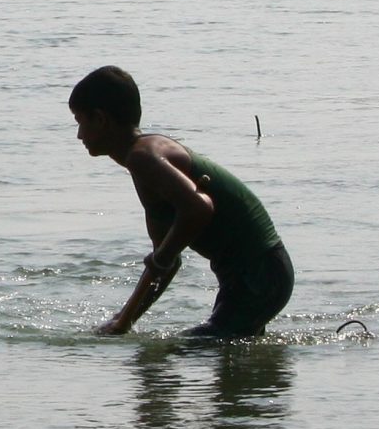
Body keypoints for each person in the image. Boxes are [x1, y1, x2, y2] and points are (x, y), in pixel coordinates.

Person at [69, 65, 292, 339]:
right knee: (227, 358)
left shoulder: (144, 157)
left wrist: (161, 259)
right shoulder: (142, 162)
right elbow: (166, 265)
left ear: (100, 119)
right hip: (250, 275)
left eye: (80, 121)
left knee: (182, 350)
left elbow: (199, 207)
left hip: (259, 273)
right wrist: (123, 320)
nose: (79, 134)